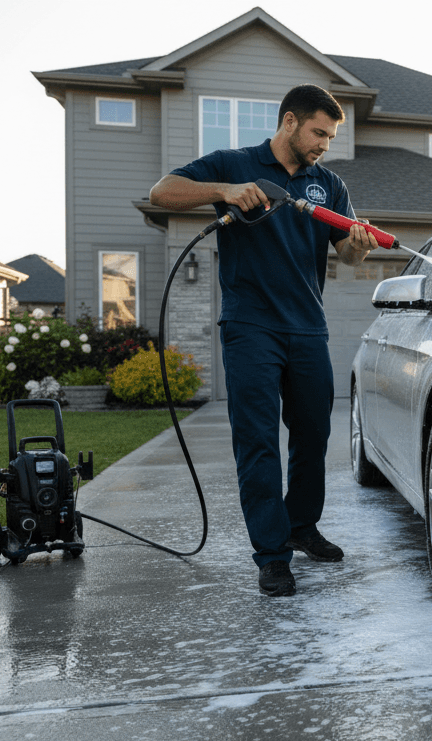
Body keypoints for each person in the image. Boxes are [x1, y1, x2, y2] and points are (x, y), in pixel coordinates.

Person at [149, 85, 377, 597]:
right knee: (257, 443)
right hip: (251, 328)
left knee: (313, 435)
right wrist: (225, 190)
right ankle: (272, 556)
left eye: (331, 136)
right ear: (290, 122)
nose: (324, 144)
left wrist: (359, 246)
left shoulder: (329, 184)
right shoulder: (235, 162)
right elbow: (162, 191)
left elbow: (347, 255)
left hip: (307, 328)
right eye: (319, 132)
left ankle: (301, 526)